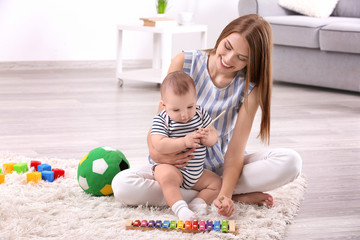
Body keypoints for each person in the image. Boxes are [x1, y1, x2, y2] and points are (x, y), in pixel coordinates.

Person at [111, 14, 302, 217]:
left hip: (218, 170)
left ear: (252, 60)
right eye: (227, 47)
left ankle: (209, 194)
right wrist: (162, 156)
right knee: (123, 185)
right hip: (174, 167)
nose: (228, 59)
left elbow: (235, 152)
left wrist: (225, 195)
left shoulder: (250, 87)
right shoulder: (185, 61)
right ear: (222, 36)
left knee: (291, 162)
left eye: (242, 58)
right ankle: (209, 196)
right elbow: (159, 125)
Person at [150, 71, 221, 220]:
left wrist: (208, 137)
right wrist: (184, 142)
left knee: (216, 182)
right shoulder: (162, 119)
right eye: (176, 110)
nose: (185, 114)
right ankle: (181, 209)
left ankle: (198, 203)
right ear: (164, 105)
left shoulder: (200, 114)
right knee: (166, 176)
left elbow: (214, 135)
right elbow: (158, 144)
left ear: (196, 100)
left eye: (190, 106)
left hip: (197, 172)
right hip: (174, 169)